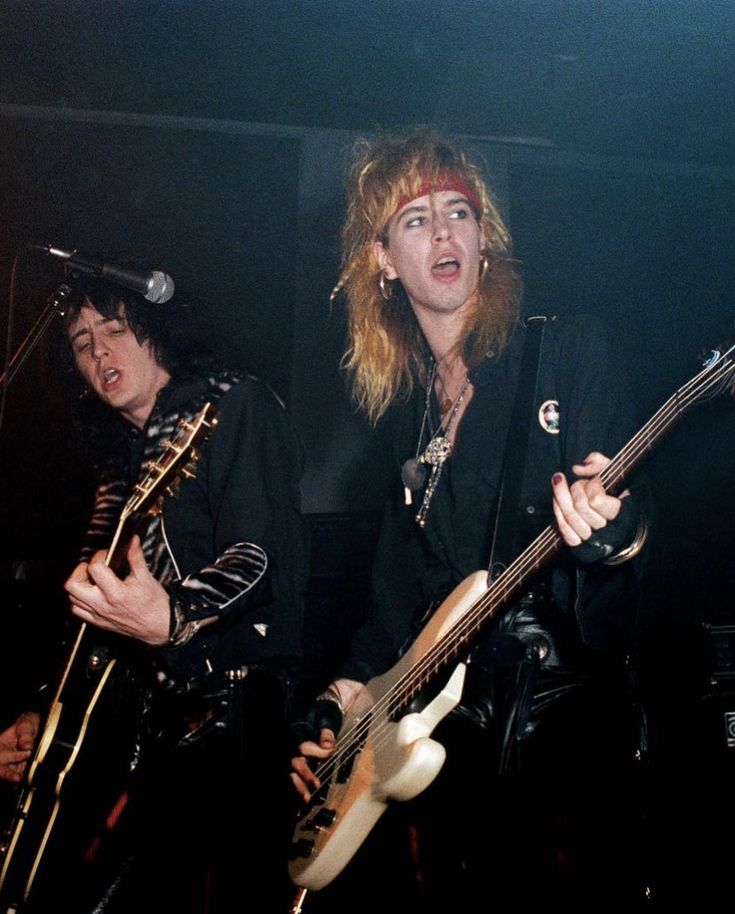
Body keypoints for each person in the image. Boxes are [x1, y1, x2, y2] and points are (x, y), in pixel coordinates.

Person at [290, 128, 649, 910]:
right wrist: (341, 699)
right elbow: (396, 605)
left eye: (459, 211)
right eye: (415, 220)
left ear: (485, 241)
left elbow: (621, 588)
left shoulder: (565, 353)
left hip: (561, 735)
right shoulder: (408, 418)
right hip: (454, 748)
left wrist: (612, 535)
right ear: (382, 261)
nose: (444, 231)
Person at [0, 272, 309, 913]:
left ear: (160, 331)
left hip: (229, 716)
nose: (99, 353)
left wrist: (173, 616)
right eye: (82, 343)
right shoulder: (119, 462)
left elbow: (260, 558)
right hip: (139, 723)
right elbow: (92, 614)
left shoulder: (231, 402)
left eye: (115, 329)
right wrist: (47, 709)